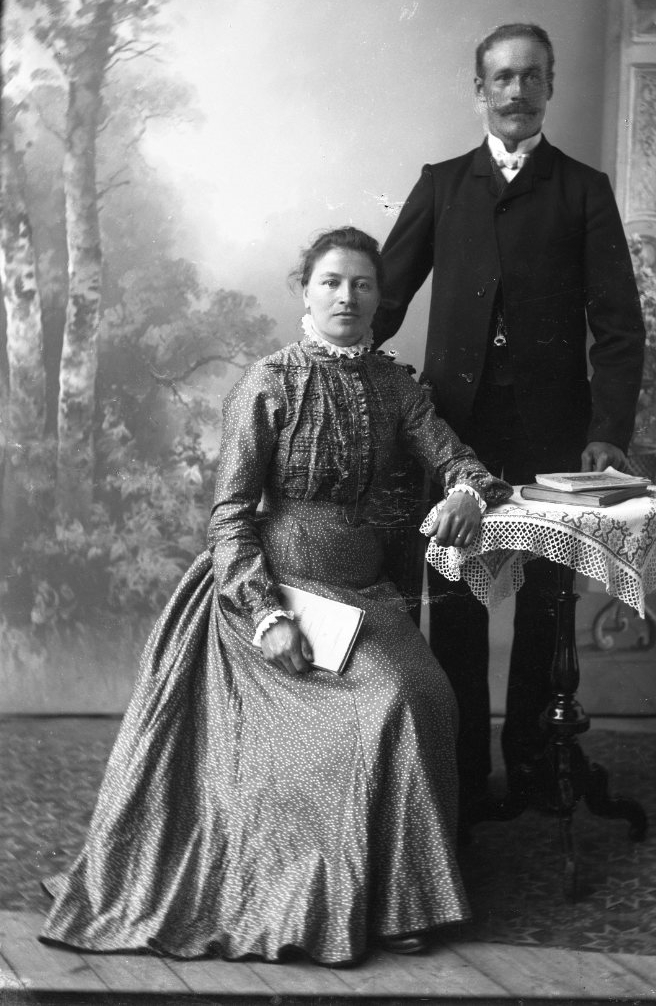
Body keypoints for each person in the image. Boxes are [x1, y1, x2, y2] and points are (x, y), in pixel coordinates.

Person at [40, 226, 512, 968]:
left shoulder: (394, 386)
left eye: (362, 284)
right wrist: (267, 615)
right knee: (386, 701)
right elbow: (229, 518)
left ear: (379, 298)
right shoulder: (268, 382)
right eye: (332, 282)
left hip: (364, 596)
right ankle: (340, 894)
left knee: (428, 693)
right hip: (278, 591)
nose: (347, 297)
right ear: (307, 292)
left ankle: (400, 898)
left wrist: (464, 492)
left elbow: (459, 460)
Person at [372, 22, 646, 823]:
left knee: (547, 604)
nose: (517, 91)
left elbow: (618, 325)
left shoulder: (581, 189)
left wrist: (607, 428)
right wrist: (332, 363)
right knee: (455, 601)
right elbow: (385, 298)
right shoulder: (442, 184)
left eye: (531, 76)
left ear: (549, 86)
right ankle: (460, 774)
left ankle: (533, 762)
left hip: (554, 433)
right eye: (502, 77)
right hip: (455, 433)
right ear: (479, 90)